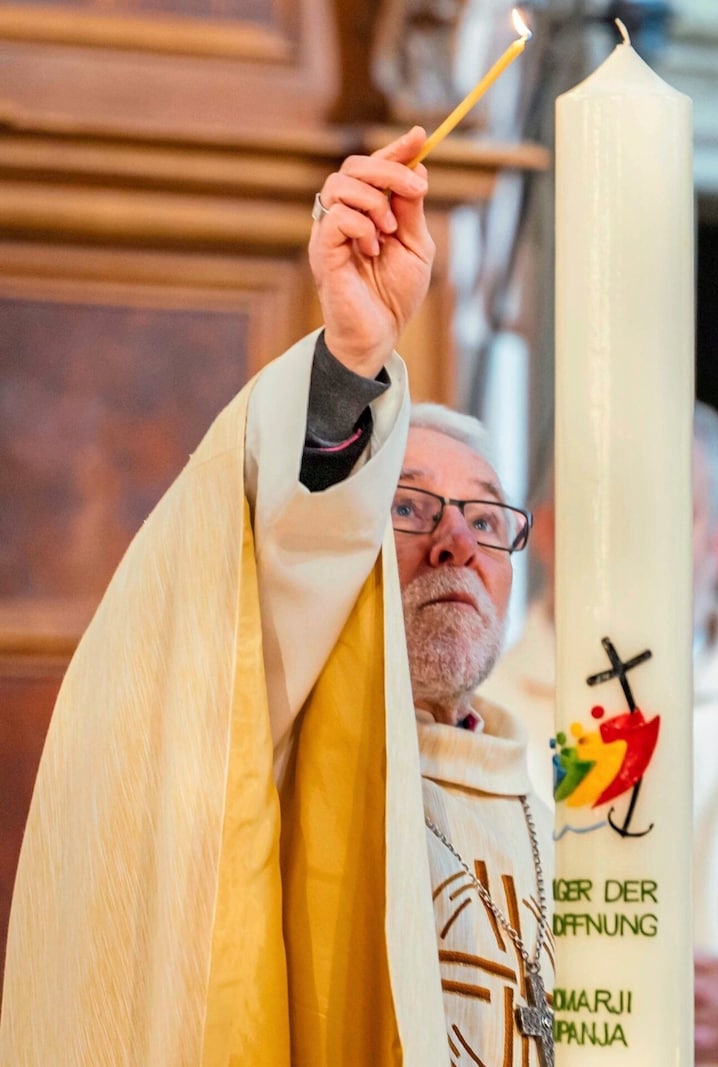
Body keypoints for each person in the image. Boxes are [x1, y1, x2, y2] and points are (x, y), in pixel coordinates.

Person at [0, 127, 553, 1067]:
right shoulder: (282, 723)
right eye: (411, 506)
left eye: (485, 518)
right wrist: (352, 358)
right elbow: (299, 543)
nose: (456, 542)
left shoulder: (554, 779)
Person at [481, 400, 718, 1066]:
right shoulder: (474, 721)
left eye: (669, 511)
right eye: (603, 504)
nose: (631, 539)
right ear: (546, 528)